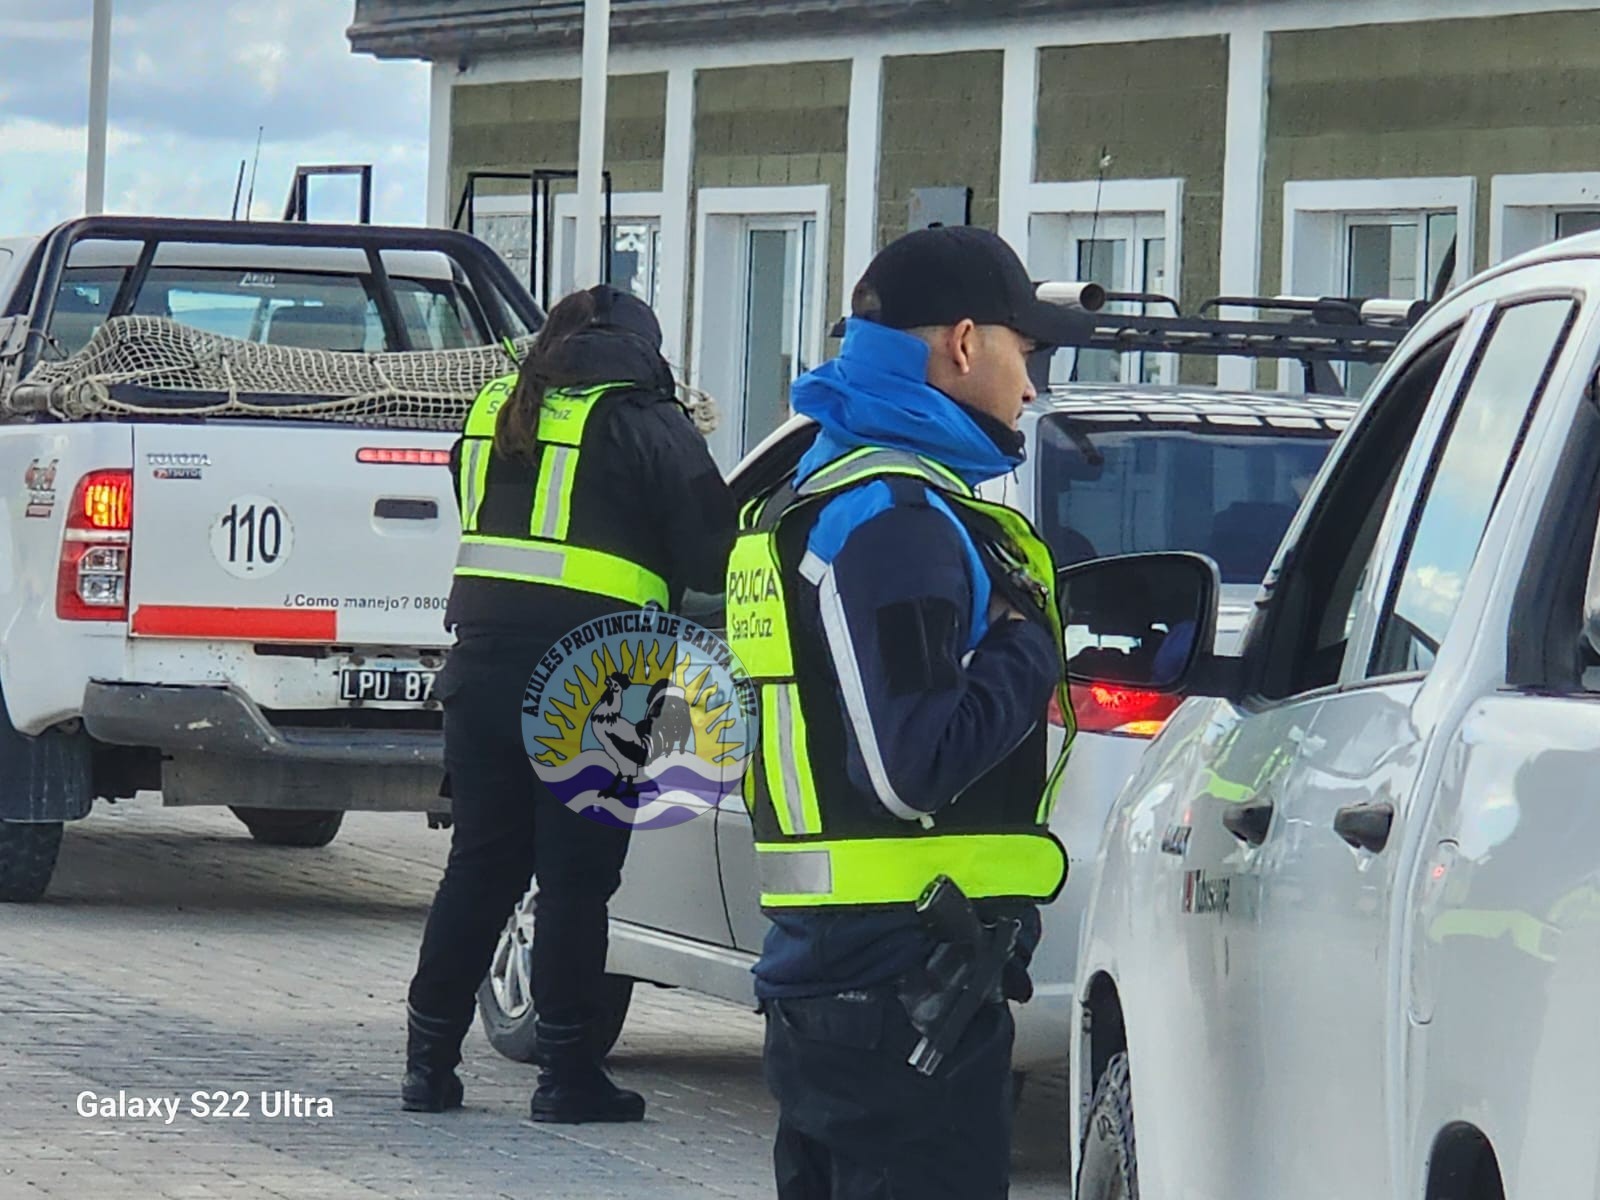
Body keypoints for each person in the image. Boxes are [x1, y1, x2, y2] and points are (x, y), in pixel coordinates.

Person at [724, 226, 1084, 1199]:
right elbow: (908, 765)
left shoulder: (822, 491)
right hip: (903, 987)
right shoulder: (898, 518)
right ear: (963, 344)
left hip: (838, 974)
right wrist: (1028, 642)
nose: (1033, 386)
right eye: (1027, 351)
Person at [402, 284, 736, 1124]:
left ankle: (427, 1065)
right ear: (643, 347)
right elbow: (714, 551)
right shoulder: (644, 419)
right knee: (576, 883)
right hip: (595, 680)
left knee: (480, 867)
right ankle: (565, 1077)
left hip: (478, 669)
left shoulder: (494, 410)